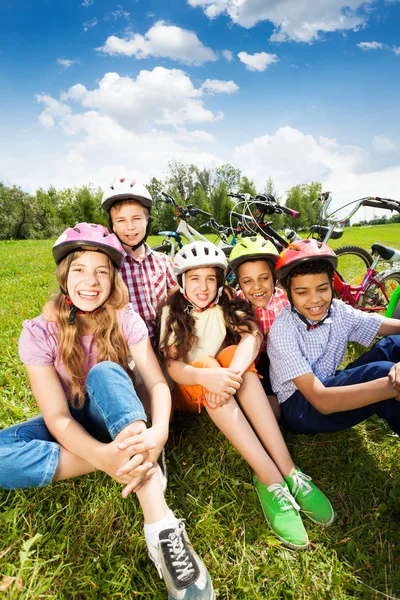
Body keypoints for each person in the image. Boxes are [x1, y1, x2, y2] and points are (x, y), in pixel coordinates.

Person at [0, 223, 214, 600]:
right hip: (76, 420)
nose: (91, 281)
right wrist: (100, 455)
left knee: (105, 372)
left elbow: (158, 383)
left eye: (101, 270)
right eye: (80, 269)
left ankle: (161, 525)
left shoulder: (125, 318)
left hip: (117, 409)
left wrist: (160, 429)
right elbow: (58, 417)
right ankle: (136, 458)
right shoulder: (38, 332)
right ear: (64, 275)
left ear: (114, 277)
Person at [158, 241, 334, 550]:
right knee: (206, 362)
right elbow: (172, 364)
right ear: (182, 282)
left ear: (220, 281)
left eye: (210, 278)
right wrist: (204, 376)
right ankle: (269, 479)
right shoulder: (172, 309)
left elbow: (253, 335)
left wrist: (234, 373)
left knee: (232, 353)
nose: (203, 286)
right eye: (195, 278)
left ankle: (289, 470)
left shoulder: (226, 301)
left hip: (223, 381)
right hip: (191, 386)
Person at [267, 239, 400, 436]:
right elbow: (322, 401)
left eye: (322, 289)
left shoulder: (338, 310)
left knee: (393, 344)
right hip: (302, 406)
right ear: (288, 294)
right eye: (302, 292)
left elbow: (382, 325)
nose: (315, 299)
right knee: (385, 373)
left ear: (332, 285)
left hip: (329, 380)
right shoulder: (283, 330)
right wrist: (393, 384)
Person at [229, 236, 288, 419]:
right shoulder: (235, 303)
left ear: (274, 277)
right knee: (267, 409)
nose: (257, 287)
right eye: (247, 281)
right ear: (239, 283)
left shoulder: (286, 301)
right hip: (254, 363)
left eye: (264, 278)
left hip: (282, 358)